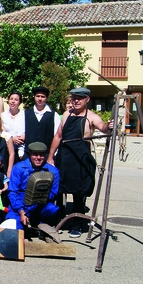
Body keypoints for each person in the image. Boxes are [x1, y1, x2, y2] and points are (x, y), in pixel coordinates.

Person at [48, 87, 113, 238]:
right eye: (74, 98)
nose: (76, 101)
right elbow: (58, 136)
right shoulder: (66, 114)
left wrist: (108, 127)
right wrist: (51, 157)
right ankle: (59, 219)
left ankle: (76, 224)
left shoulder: (91, 117)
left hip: (81, 160)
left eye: (80, 98)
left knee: (78, 193)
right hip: (64, 158)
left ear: (87, 100)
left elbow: (103, 128)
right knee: (58, 191)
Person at [6, 142, 60, 230]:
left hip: (41, 203)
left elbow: (54, 193)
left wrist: (40, 195)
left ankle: (41, 226)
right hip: (21, 202)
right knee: (12, 228)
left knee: (52, 209)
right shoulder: (18, 168)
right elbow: (12, 192)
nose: (38, 158)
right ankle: (24, 224)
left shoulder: (53, 171)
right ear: (30, 154)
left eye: (41, 155)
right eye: (35, 154)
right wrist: (21, 211)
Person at [23, 86, 60, 158]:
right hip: (28, 154)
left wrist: (53, 155)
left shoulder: (54, 115)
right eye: (38, 96)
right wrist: (21, 153)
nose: (40, 99)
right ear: (34, 97)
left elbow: (57, 136)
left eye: (42, 96)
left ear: (46, 98)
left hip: (46, 155)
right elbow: (21, 133)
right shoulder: (25, 114)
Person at [0, 91, 25, 161]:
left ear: (19, 102)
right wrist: (12, 139)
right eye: (11, 99)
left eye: (16, 100)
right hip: (7, 148)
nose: (13, 101)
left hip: (22, 148)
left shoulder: (24, 115)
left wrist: (24, 136)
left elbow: (28, 129)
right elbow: (1, 132)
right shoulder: (3, 116)